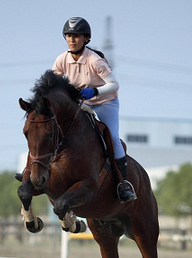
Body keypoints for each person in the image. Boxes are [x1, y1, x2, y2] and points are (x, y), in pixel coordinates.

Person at [52, 16, 137, 203]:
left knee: (112, 137)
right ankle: (36, 170)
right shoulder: (61, 60)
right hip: (81, 103)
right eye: (69, 36)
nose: (72, 40)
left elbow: (115, 84)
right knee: (53, 129)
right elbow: (53, 85)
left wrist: (94, 91)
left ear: (86, 39)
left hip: (105, 102)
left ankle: (123, 184)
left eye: (77, 36)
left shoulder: (95, 60)